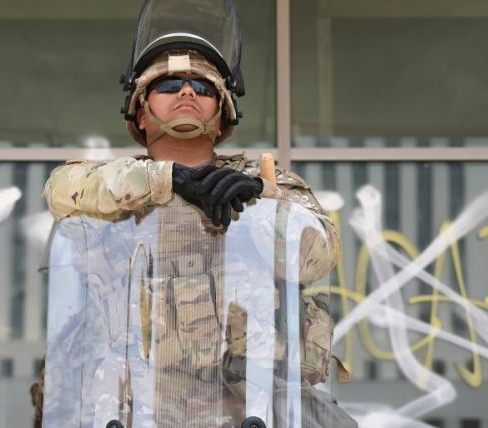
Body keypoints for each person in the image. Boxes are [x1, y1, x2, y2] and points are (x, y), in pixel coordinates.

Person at [38, 1, 353, 426]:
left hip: (244, 406)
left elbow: (319, 254)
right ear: (140, 112)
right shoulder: (112, 187)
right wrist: (167, 180)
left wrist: (261, 201)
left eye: (202, 88)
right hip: (135, 405)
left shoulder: (269, 185)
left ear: (222, 116)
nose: (187, 92)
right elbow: (61, 191)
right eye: (169, 85)